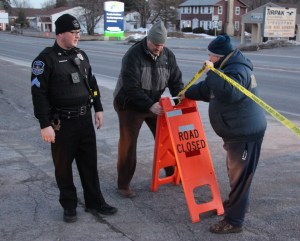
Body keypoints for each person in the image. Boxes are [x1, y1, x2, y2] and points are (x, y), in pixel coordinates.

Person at [30, 14, 117, 223]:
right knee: (63, 167)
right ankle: (69, 205)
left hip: (84, 119)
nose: (78, 36)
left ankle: (95, 202)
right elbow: (38, 95)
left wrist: (98, 107)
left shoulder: (80, 54)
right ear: (60, 34)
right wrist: (44, 124)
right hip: (62, 124)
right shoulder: (45, 60)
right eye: (74, 33)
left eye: (79, 33)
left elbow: (92, 82)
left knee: (89, 164)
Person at [180, 35, 267, 234]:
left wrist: (210, 73)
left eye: (210, 56)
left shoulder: (237, 70)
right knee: (235, 173)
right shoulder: (226, 68)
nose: (208, 59)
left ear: (218, 57)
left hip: (245, 134)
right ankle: (237, 204)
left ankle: (234, 221)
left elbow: (228, 92)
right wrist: (188, 92)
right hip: (236, 132)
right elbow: (208, 90)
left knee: (240, 177)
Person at [113, 20, 184, 198]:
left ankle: (171, 172)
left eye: (162, 45)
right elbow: (131, 87)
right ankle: (123, 184)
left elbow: (175, 81)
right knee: (128, 144)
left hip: (153, 102)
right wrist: (149, 105)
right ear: (148, 40)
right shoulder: (133, 55)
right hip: (128, 103)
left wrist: (181, 98)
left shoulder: (168, 56)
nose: (159, 48)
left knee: (166, 138)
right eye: (156, 44)